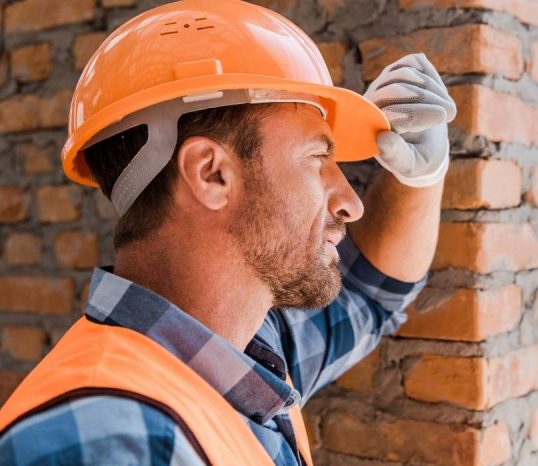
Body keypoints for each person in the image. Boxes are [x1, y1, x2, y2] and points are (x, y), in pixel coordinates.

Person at [0, 0, 456, 464]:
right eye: (318, 159)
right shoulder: (104, 442)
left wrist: (420, 175)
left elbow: (371, 294)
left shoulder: (247, 349)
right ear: (211, 174)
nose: (350, 203)